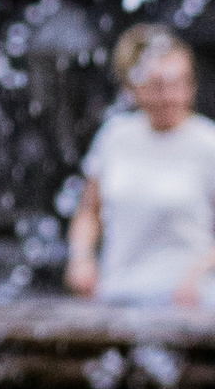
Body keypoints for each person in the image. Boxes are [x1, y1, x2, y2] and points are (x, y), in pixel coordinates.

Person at [67, 24, 215, 307]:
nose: (171, 95)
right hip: (117, 294)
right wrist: (81, 258)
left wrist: (199, 273)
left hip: (188, 300)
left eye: (180, 83)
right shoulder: (114, 136)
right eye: (159, 85)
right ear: (133, 87)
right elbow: (88, 210)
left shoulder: (208, 143)